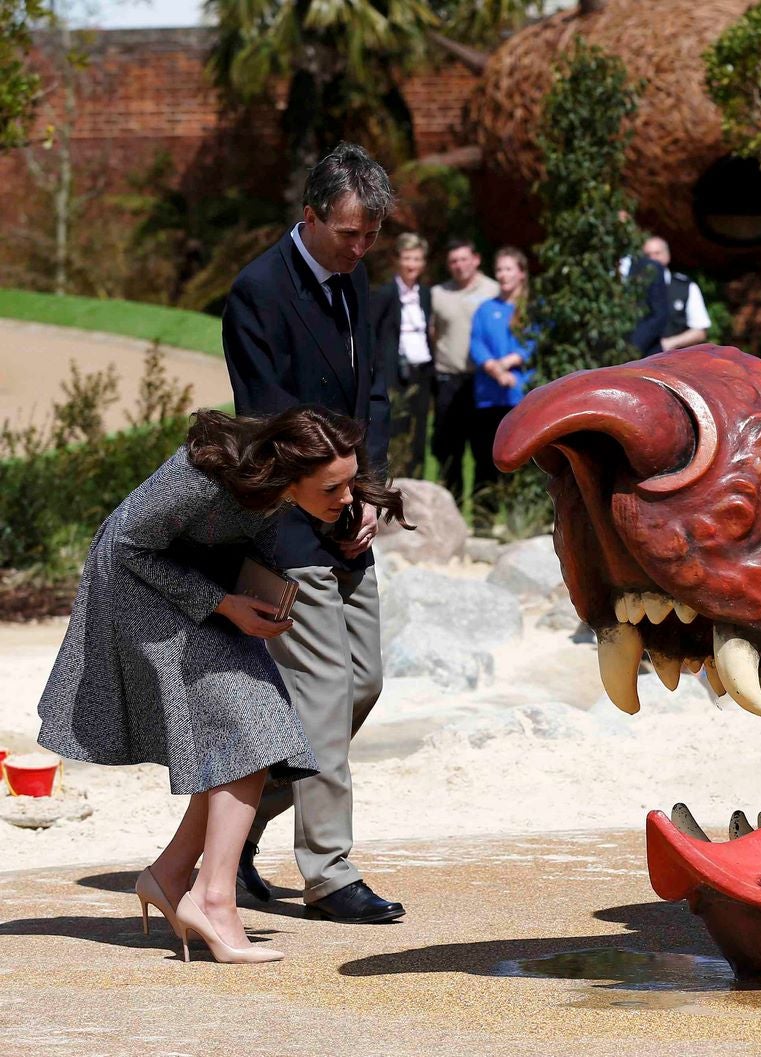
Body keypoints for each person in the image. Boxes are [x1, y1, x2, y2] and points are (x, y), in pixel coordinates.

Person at [35, 407, 409, 963]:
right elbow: (128, 547)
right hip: (134, 591)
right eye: (333, 487)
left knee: (251, 734)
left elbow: (247, 545)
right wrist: (223, 604)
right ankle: (212, 898)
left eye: (351, 482)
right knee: (252, 727)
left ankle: (169, 878)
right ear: (290, 472)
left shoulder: (283, 492)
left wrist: (261, 593)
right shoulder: (202, 476)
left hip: (205, 592)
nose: (345, 497)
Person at [220, 141, 407, 925]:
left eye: (371, 235)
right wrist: (330, 499)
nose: (361, 249)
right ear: (310, 216)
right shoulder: (256, 291)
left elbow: (373, 394)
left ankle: (223, 837)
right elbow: (270, 421)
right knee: (324, 694)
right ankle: (329, 872)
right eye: (348, 234)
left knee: (357, 686)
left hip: (349, 512)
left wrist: (370, 494)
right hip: (287, 523)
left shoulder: (355, 277)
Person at [429, 240, 499, 503]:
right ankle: (451, 509)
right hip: (448, 378)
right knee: (448, 449)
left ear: (476, 259)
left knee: (485, 448)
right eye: (453, 261)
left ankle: (485, 512)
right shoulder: (438, 294)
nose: (459, 266)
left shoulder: (494, 290)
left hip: (484, 380)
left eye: (463, 259)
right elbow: (433, 333)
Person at [468, 247, 538, 508]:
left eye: (509, 269)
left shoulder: (532, 308)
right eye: (499, 269)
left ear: (521, 273)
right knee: (486, 457)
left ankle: (518, 512)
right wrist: (496, 370)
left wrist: (510, 362)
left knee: (521, 456)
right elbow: (476, 345)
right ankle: (484, 516)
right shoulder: (485, 309)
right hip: (489, 396)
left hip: (520, 395)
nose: (503, 274)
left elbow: (535, 343)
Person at [372, 232, 433, 478]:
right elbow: (373, 333)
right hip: (395, 372)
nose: (412, 265)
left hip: (421, 369)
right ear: (398, 260)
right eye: (407, 258)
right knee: (397, 427)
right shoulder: (386, 293)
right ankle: (395, 479)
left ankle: (417, 478)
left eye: (417, 259)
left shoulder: (426, 294)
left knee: (419, 430)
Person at [642, 235, 712, 350]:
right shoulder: (633, 290)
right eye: (648, 255)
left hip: (674, 360)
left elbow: (700, 331)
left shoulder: (686, 287)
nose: (652, 259)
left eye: (657, 253)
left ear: (667, 256)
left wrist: (669, 343)